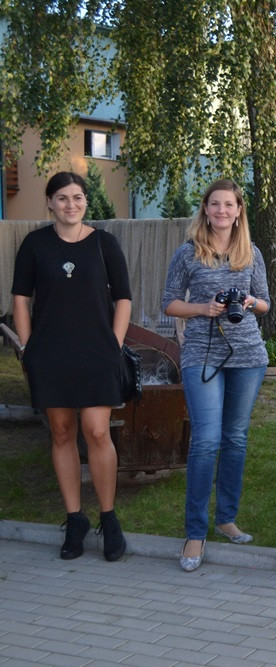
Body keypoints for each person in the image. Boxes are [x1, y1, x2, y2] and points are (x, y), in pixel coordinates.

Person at [11, 171, 131, 562]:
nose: (71, 204)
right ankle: (75, 519)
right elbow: (20, 299)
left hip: (97, 353)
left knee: (96, 430)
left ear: (85, 201)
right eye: (62, 198)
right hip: (50, 354)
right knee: (62, 432)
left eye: (77, 197)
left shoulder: (104, 243)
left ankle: (109, 519)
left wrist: (114, 343)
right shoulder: (34, 244)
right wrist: (28, 347)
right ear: (50, 202)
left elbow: (124, 298)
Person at [162, 179, 270, 572]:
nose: (222, 211)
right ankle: (195, 531)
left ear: (239, 211)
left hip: (248, 357)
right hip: (201, 355)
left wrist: (250, 301)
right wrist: (203, 308)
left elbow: (266, 303)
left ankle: (226, 519)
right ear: (205, 210)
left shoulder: (251, 252)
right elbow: (169, 303)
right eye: (215, 204)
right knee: (206, 440)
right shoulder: (188, 252)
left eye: (229, 205)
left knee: (235, 438)